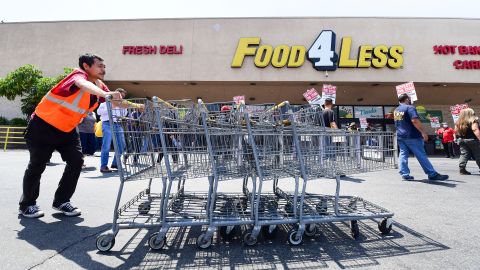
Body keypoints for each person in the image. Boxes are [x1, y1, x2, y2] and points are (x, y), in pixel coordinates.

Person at [19, 53, 123, 218]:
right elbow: (82, 85)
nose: (103, 69)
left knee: (76, 161)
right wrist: (106, 95)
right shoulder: (78, 75)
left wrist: (137, 105)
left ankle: (61, 201)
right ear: (86, 66)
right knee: (37, 165)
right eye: (100, 66)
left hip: (67, 129)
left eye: (104, 66)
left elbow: (113, 100)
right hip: (43, 125)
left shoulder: (99, 85)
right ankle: (27, 204)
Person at [394, 93, 448, 181]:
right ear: (407, 99)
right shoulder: (410, 108)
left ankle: (405, 173)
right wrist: (423, 132)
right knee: (421, 154)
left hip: (401, 136)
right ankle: (432, 174)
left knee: (403, 154)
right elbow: (415, 121)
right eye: (409, 99)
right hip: (412, 136)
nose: (411, 100)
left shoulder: (396, 110)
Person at [97, 88, 128, 173]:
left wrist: (122, 106)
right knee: (106, 145)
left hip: (118, 124)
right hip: (107, 124)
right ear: (114, 95)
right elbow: (99, 112)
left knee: (122, 144)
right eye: (119, 96)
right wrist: (112, 107)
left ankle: (115, 163)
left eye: (122, 96)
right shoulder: (104, 103)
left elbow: (124, 114)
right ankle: (103, 166)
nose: (121, 97)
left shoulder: (121, 105)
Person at [454, 108, 480, 175]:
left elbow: (455, 131)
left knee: (464, 154)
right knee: (478, 154)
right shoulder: (473, 121)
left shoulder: (458, 122)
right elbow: (475, 129)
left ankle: (462, 169)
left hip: (462, 139)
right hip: (472, 140)